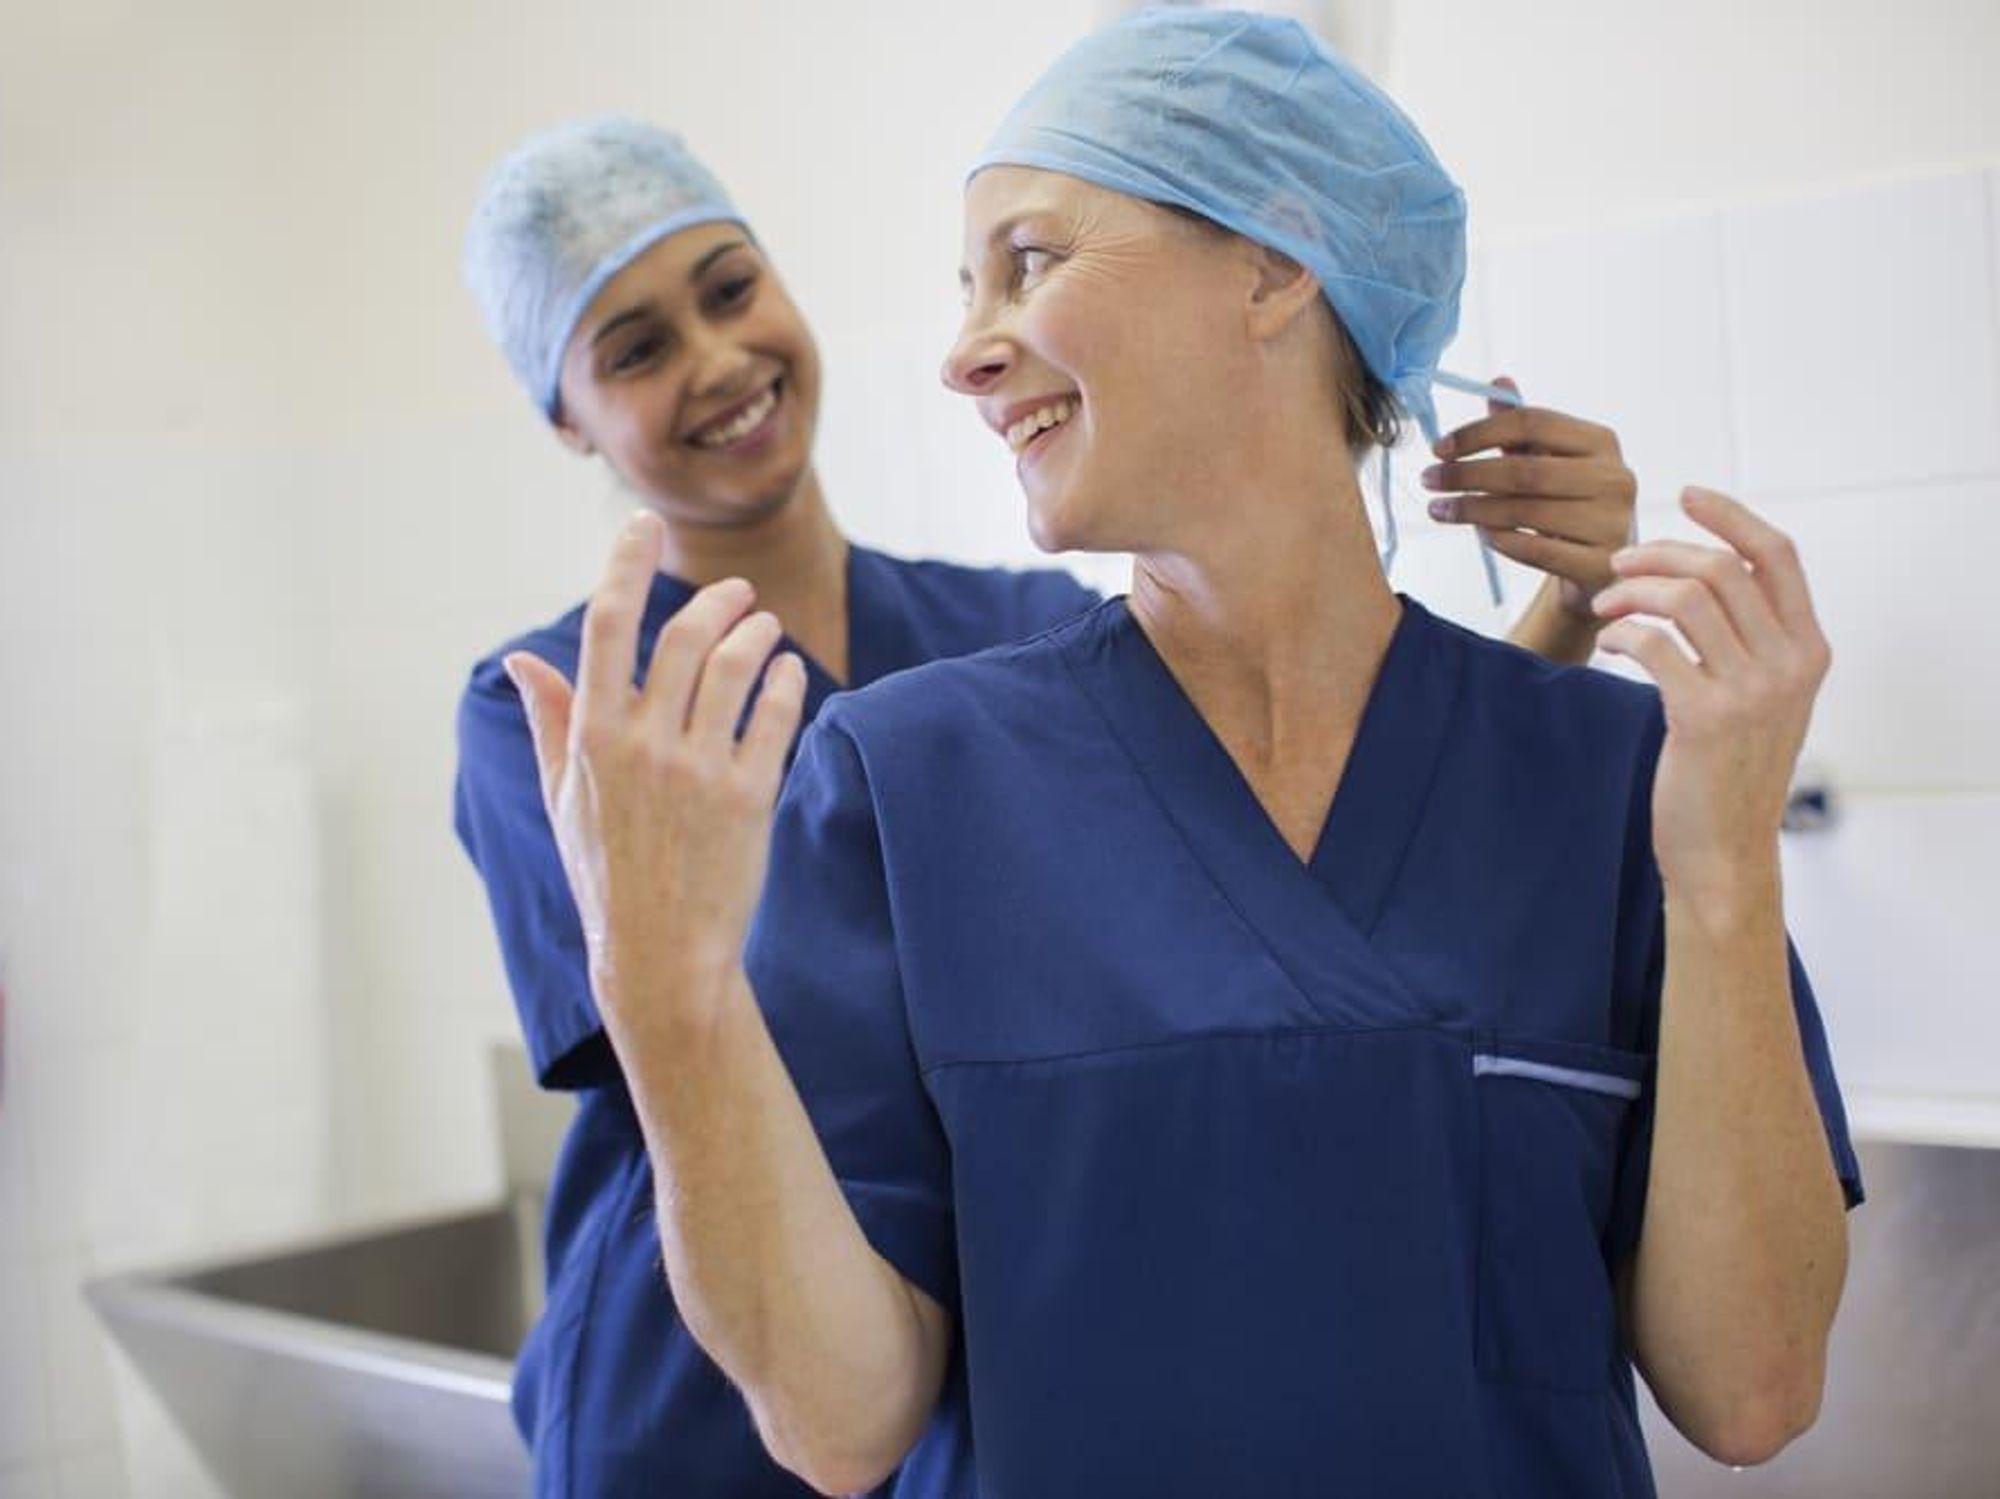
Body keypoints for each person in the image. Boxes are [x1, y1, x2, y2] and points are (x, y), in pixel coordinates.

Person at [462, 91, 1659, 1496]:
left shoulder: (1006, 644)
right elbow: (733, 1030)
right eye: (639, 347)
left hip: (983, 1335)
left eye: (731, 290)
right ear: (567, 417)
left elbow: (1310, 853)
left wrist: (1558, 649)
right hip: (698, 1391)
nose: (720, 357)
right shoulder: (554, 709)